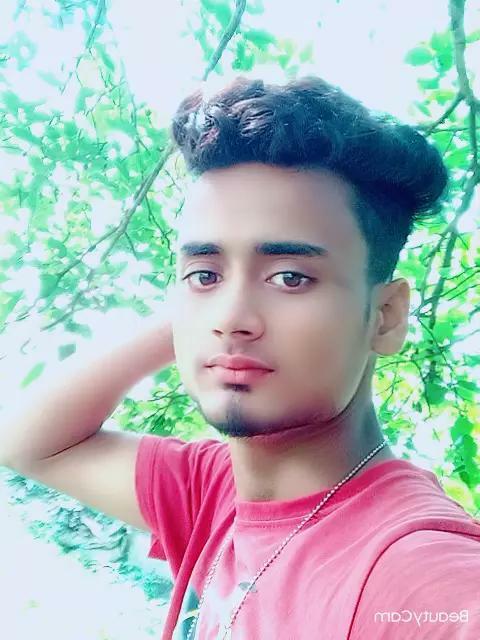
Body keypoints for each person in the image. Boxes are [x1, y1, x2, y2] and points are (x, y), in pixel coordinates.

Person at [1, 75, 479, 639]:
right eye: (204, 274)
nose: (231, 317)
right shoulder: (211, 492)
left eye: (291, 277)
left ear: (387, 316)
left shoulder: (416, 574)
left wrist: (211, 291)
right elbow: (26, 442)